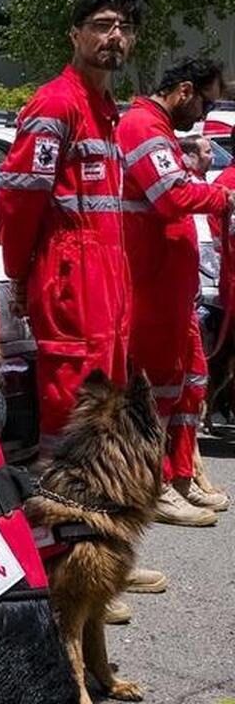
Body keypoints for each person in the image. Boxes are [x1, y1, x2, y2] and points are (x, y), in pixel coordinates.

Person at [0, 0, 141, 462]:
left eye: (124, 28)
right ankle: (59, 504)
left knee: (105, 392)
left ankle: (90, 496)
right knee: (72, 392)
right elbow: (18, 200)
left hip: (108, 275)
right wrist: (18, 272)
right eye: (101, 26)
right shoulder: (57, 104)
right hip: (71, 274)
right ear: (74, 35)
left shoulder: (108, 113)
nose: (114, 36)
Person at [117, 56, 233, 527]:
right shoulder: (143, 126)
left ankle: (178, 474)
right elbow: (172, 197)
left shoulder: (159, 130)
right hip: (150, 283)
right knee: (156, 388)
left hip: (172, 285)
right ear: (184, 90)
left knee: (188, 383)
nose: (203, 115)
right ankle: (152, 484)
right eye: (204, 102)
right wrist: (223, 195)